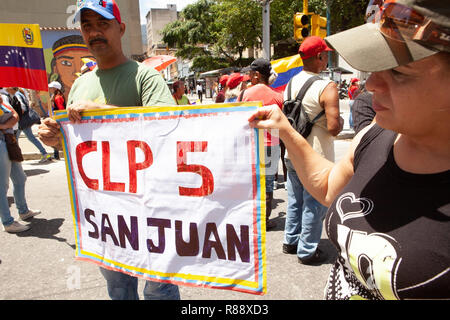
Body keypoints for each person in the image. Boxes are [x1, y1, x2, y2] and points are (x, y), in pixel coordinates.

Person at [248, 0, 449, 299]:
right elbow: (330, 189)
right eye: (376, 66)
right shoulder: (375, 136)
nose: (372, 85)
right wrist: (286, 131)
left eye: (398, 72)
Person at [38, 0, 180, 300]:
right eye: (87, 26)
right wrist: (55, 137)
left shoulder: (145, 77)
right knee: (118, 287)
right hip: (104, 214)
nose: (94, 32)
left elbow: (168, 128)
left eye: (103, 24)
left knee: (159, 288)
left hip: (151, 208)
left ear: (122, 28)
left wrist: (101, 111)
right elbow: (78, 142)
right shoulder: (79, 85)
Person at [279, 36, 343, 265]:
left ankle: (291, 241)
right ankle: (307, 250)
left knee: (295, 200)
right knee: (314, 204)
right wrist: (340, 121)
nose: (326, 58)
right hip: (316, 156)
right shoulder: (327, 86)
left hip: (291, 153)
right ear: (318, 56)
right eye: (325, 54)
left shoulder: (289, 84)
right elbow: (334, 128)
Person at [239, 58, 284, 230]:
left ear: (256, 75)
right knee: (268, 184)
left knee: (251, 182)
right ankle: (264, 220)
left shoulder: (245, 94)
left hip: (249, 144)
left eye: (250, 73)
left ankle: (250, 218)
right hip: (271, 145)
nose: (248, 76)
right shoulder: (277, 96)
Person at [0, 95, 41, 233]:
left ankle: (23, 211)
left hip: (9, 140)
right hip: (1, 142)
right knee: (2, 185)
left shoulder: (3, 97)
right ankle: (7, 222)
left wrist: (7, 124)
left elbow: (15, 115)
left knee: (20, 178)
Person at [4, 87, 51, 163]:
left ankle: (17, 158)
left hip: (21, 121)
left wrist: (15, 116)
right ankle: (44, 153)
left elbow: (23, 108)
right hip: (23, 121)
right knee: (30, 138)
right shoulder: (19, 94)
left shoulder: (17, 95)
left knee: (15, 139)